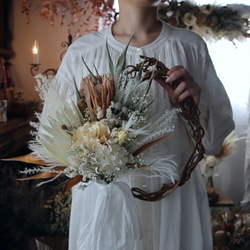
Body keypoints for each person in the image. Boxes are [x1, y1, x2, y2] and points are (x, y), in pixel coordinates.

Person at [52, 0, 235, 249]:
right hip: (105, 210)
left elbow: (213, 142)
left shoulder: (190, 46)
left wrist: (192, 106)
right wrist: (84, 115)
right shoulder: (83, 52)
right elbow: (52, 142)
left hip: (174, 203)